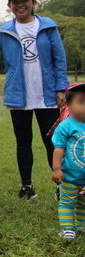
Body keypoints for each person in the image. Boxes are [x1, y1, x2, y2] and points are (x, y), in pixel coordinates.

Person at [0, 0, 68, 200]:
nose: (20, 5)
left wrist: (61, 89)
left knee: (53, 141)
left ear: (33, 2)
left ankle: (61, 186)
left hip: (47, 96)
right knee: (23, 141)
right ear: (9, 6)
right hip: (19, 96)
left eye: (24, 0)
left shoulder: (48, 27)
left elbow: (59, 59)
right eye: (15, 2)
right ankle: (27, 187)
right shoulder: (5, 30)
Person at [51, 83, 85, 240]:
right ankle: (67, 228)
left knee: (83, 204)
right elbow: (59, 149)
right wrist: (57, 169)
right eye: (82, 101)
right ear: (68, 104)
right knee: (66, 203)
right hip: (69, 176)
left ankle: (81, 226)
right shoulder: (66, 126)